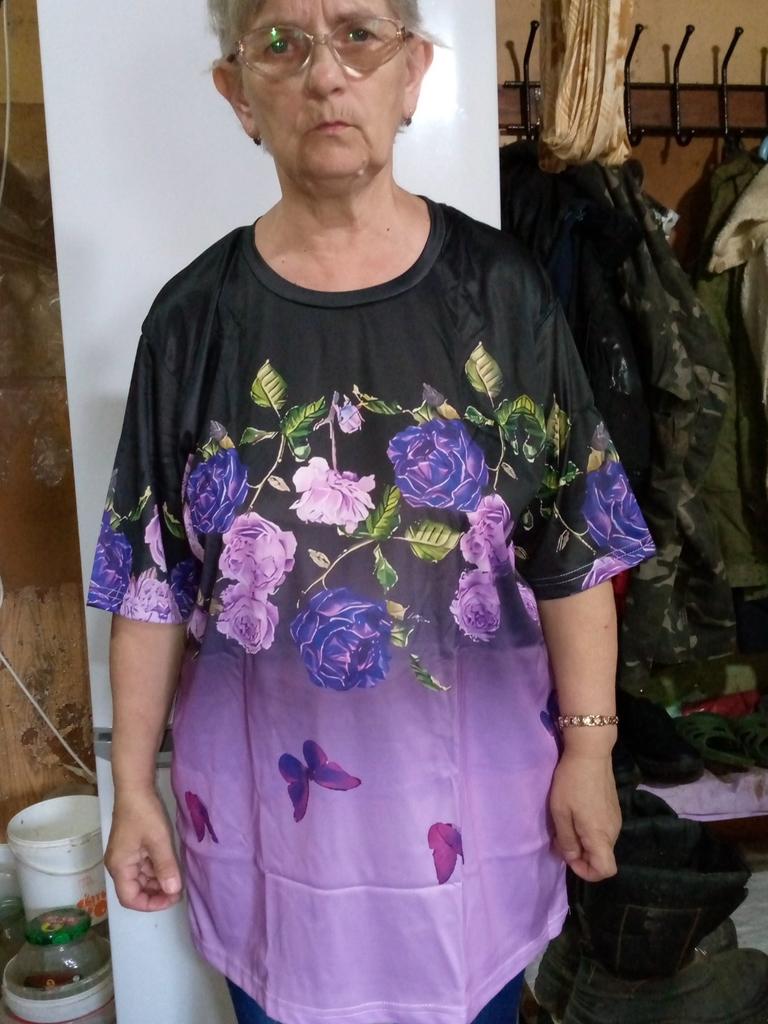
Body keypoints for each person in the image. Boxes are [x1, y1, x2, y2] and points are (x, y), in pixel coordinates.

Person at [86, 2, 656, 1022]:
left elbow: (572, 547)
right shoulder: (192, 321)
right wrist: (132, 787)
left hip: (476, 823)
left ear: (413, 73)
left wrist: (591, 750)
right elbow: (151, 582)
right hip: (268, 830)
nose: (324, 73)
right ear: (237, 94)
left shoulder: (503, 296)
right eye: (279, 42)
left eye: (358, 33)